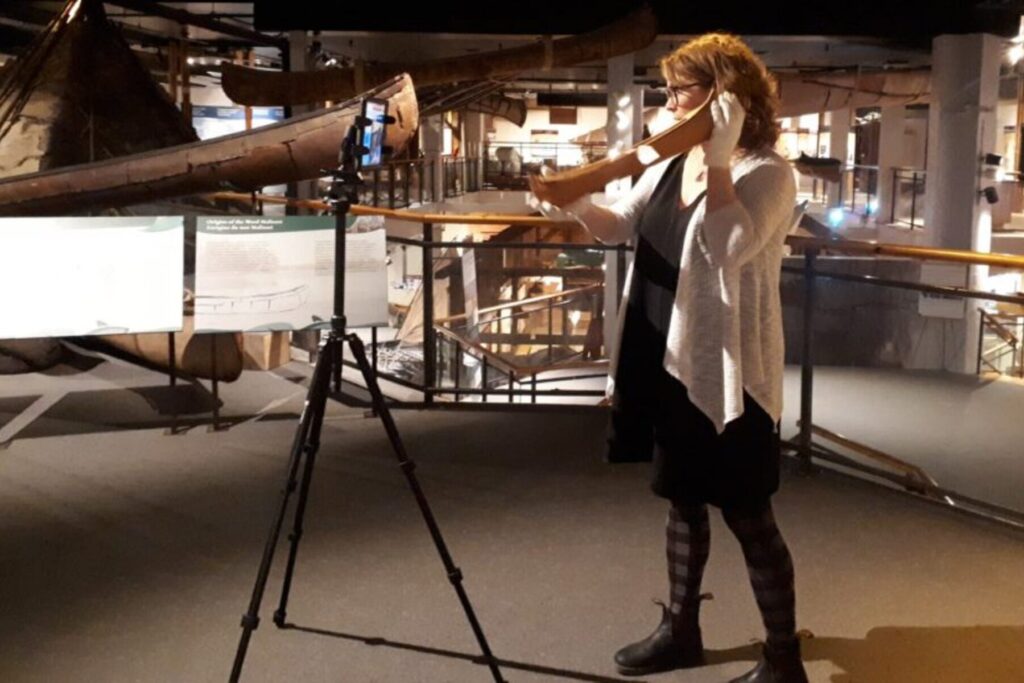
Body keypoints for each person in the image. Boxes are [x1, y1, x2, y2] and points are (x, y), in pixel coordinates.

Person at [529, 33, 806, 683]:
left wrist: (716, 158)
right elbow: (618, 224)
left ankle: (784, 657)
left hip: (732, 372)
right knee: (681, 499)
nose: (671, 100)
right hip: (667, 352)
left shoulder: (767, 171)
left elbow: (725, 244)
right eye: (671, 88)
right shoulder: (664, 166)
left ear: (724, 95)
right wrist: (569, 200)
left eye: (683, 88)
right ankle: (681, 628)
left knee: (747, 511)